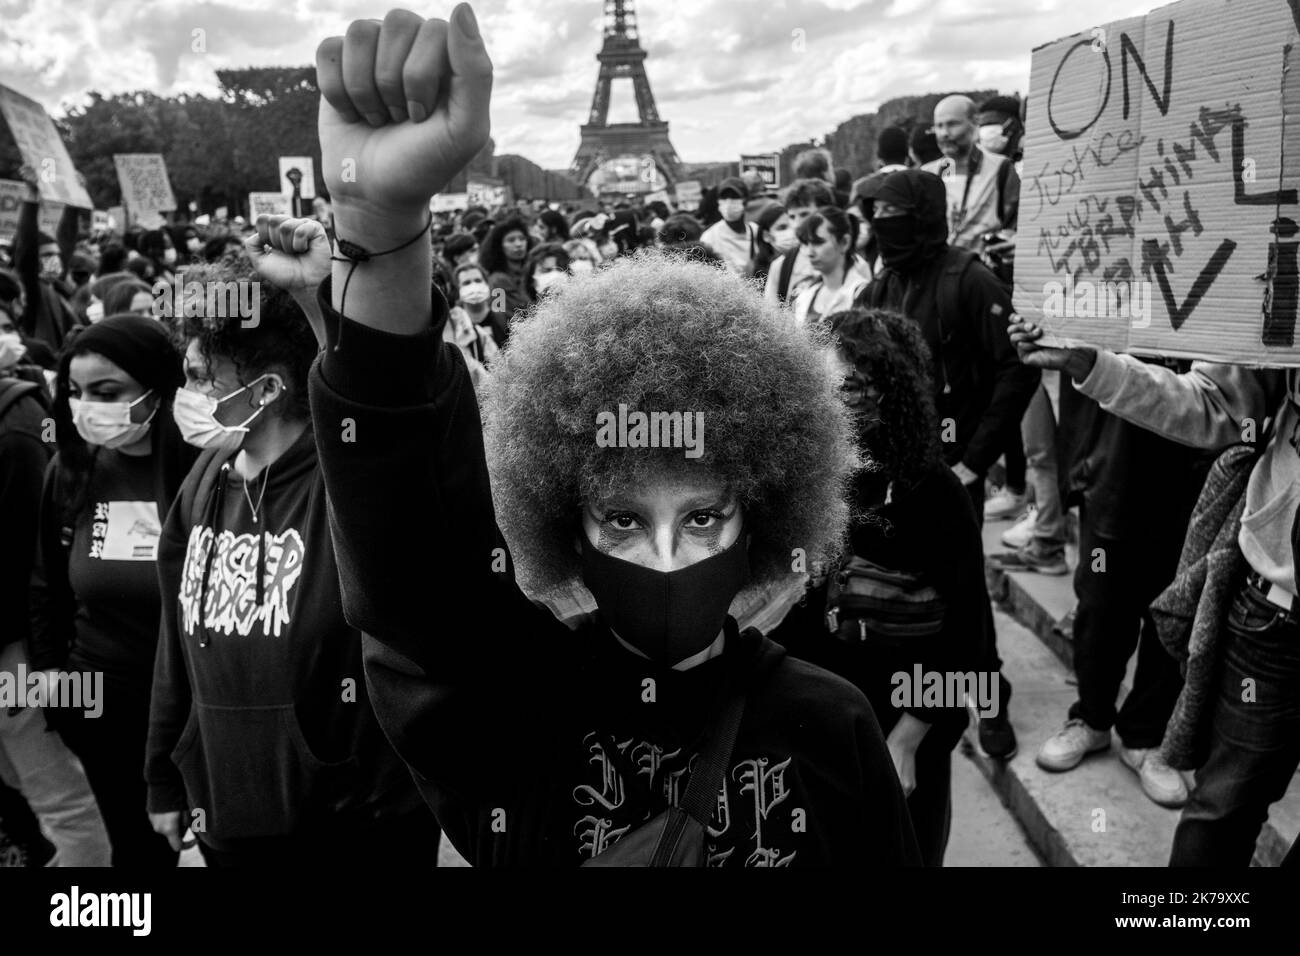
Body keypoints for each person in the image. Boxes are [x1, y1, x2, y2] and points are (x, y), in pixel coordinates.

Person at [306, 6, 922, 867]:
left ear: (769, 510)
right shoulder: (514, 701)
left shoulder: (835, 722)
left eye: (704, 517)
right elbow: (409, 570)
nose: (668, 562)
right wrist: (378, 226)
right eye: (623, 520)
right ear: (561, 519)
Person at [144, 230, 435, 867]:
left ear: (270, 389)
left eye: (201, 378)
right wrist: (165, 773)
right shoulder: (204, 481)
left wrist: (317, 300)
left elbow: (388, 402)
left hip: (356, 828)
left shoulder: (346, 484)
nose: (186, 394)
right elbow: (176, 644)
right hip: (226, 818)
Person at [1010, 319, 1300, 866]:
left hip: (1191, 490)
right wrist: (1088, 365)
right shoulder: (1262, 296)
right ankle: (1092, 718)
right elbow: (1212, 403)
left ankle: (1145, 736)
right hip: (1123, 482)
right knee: (1102, 609)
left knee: (1173, 620)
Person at [771, 307, 991, 865]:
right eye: (824, 382)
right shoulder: (803, 479)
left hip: (899, 740)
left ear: (893, 392)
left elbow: (969, 643)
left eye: (853, 384)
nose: (836, 398)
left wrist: (907, 741)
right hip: (808, 737)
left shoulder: (934, 495)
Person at [856, 168, 1039, 760]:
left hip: (951, 475)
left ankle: (989, 697)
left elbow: (1019, 367)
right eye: (874, 215)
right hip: (890, 477)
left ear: (924, 214)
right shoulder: (877, 289)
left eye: (893, 214)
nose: (882, 227)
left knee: (964, 593)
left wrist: (975, 460)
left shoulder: (972, 280)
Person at [29, 315, 195, 867]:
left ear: (158, 388)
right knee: (135, 850)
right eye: (75, 393)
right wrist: (52, 676)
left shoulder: (207, 471)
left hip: (193, 704)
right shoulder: (71, 471)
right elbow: (45, 585)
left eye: (105, 392)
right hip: (100, 704)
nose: (86, 407)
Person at [0, 303, 112, 867]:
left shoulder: (16, 431)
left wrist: (39, 665)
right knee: (22, 781)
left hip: (14, 656)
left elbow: (29, 565)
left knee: (63, 799)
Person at [923, 95, 1019, 256]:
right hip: (939, 273)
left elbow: (1017, 224)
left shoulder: (1000, 168)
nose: (944, 133)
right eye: (939, 126)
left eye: (952, 124)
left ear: (974, 123)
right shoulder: (927, 173)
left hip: (984, 274)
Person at [791, 206, 871, 326]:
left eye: (818, 242)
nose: (810, 252)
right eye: (806, 243)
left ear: (844, 242)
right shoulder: (804, 292)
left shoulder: (862, 293)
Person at [764, 179, 836, 306]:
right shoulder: (781, 266)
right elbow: (771, 317)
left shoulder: (851, 262)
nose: (797, 224)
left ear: (825, 213)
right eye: (792, 217)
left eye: (804, 214)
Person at [478, 216, 533, 347]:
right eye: (511, 240)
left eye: (522, 239)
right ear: (500, 247)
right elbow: (500, 316)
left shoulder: (530, 272)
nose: (518, 244)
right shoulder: (497, 281)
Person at [447, 262, 500, 382]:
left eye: (478, 280)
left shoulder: (504, 319)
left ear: (487, 284)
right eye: (466, 283)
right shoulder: (454, 326)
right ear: (458, 290)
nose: (473, 286)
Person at [699, 178, 757, 276]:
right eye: (724, 198)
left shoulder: (755, 231)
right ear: (718, 202)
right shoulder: (709, 237)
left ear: (745, 201)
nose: (729, 202)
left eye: (734, 197)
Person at [750, 203, 794, 287]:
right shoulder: (761, 273)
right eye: (782, 227)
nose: (791, 232)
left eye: (793, 226)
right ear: (766, 236)